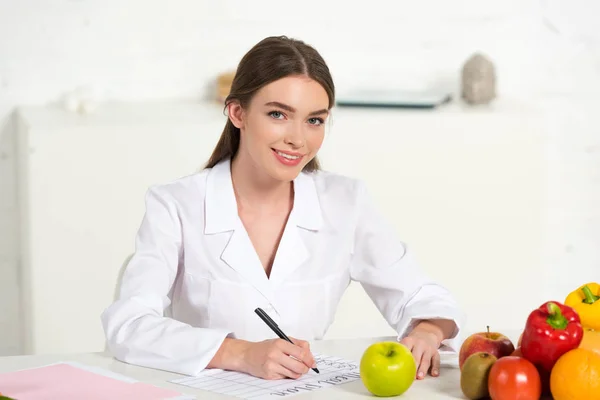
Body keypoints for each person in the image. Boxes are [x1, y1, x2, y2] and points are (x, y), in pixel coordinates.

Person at [101, 35, 465, 381]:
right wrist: (240, 353)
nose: (298, 138)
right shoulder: (176, 204)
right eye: (278, 114)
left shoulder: (345, 202)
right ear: (237, 113)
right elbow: (129, 325)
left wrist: (428, 332)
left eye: (314, 120)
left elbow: (422, 296)